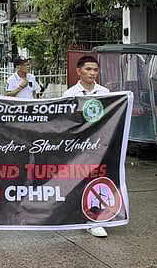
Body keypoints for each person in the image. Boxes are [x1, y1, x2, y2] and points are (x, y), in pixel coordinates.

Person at [63, 56, 110, 238]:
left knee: (97, 181)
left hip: (101, 145)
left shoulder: (105, 92)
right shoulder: (70, 95)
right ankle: (77, 214)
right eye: (88, 69)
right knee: (78, 180)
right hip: (78, 146)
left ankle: (95, 219)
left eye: (95, 70)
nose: (92, 73)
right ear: (78, 71)